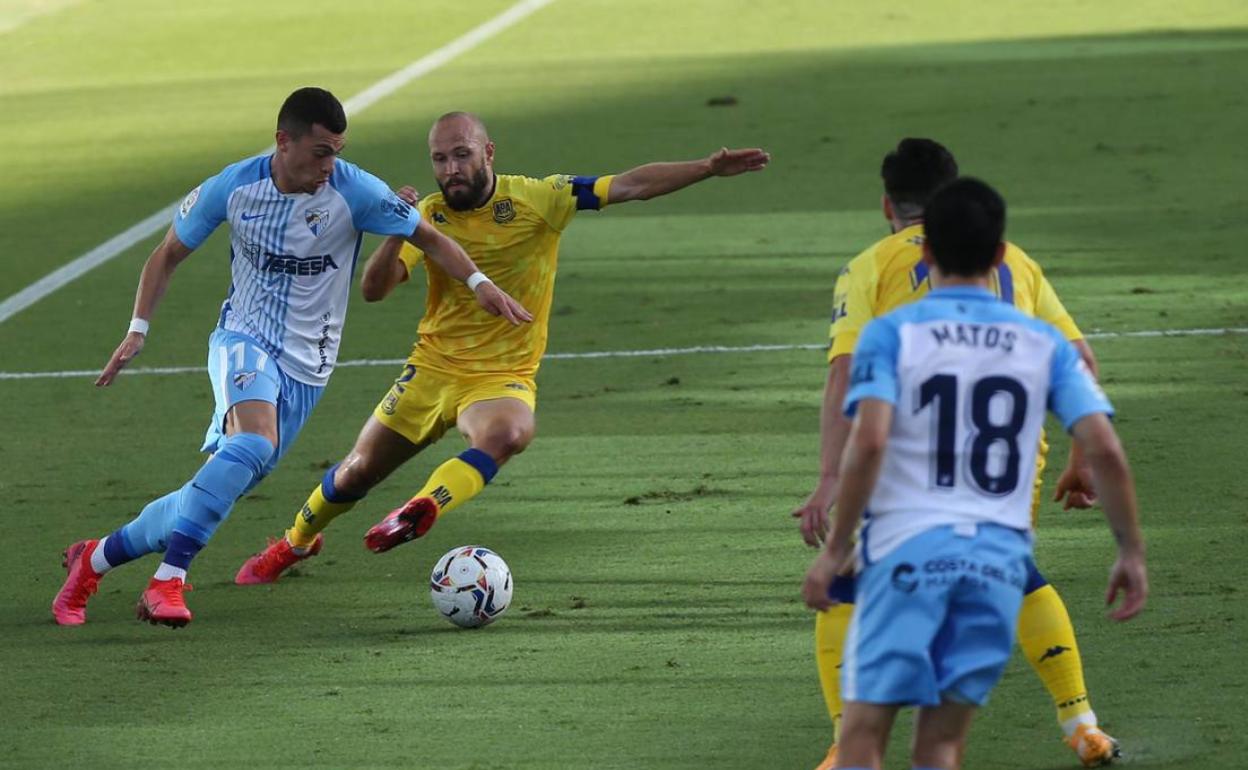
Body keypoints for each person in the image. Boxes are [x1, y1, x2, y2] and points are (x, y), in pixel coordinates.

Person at [51, 89, 529, 628]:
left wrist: (479, 282)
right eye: (321, 151)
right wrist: (138, 329)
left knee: (212, 488)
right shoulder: (235, 187)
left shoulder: (356, 190)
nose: (331, 165)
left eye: (338, 152)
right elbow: (167, 254)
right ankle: (168, 580)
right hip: (243, 339)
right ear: (284, 141)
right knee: (254, 442)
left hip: (308, 369)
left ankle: (92, 559)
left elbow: (428, 236)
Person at [232, 111, 770, 582]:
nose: (450, 170)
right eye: (439, 159)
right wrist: (396, 225)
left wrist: (704, 167)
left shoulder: (540, 199)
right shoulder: (432, 218)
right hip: (429, 372)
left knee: (510, 432)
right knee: (354, 473)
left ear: (488, 152)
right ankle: (294, 542)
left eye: (461, 155)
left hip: (499, 376)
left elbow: (628, 185)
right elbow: (375, 289)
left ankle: (425, 506)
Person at [792, 139, 1121, 768]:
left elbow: (844, 372)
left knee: (845, 579)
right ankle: (1080, 721)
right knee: (1008, 566)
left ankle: (845, 743)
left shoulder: (870, 266)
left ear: (887, 203)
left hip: (908, 454)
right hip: (1011, 453)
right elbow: (1079, 358)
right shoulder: (1018, 264)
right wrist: (1082, 456)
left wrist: (829, 476)